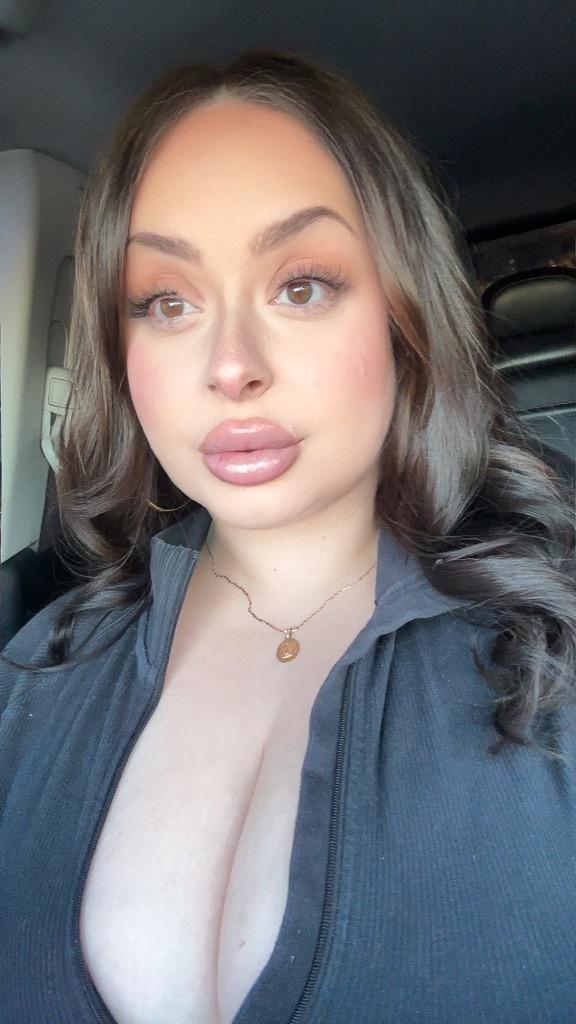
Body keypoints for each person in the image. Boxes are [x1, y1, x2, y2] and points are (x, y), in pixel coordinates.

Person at [1, 48, 575, 1024]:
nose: (231, 366)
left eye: (301, 285)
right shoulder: (39, 666)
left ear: (403, 314)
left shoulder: (551, 652)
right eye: (167, 301)